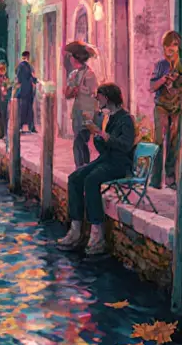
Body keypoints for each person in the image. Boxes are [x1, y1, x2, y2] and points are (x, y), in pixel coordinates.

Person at [57, 84, 135, 256]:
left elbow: (125, 146)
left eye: (99, 97)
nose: (97, 100)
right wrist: (96, 134)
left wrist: (103, 134)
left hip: (120, 164)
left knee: (91, 180)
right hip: (106, 160)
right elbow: (103, 148)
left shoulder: (126, 119)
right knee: (75, 178)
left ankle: (97, 234)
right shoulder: (108, 117)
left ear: (107, 98)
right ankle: (76, 228)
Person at [148, 31, 182, 189]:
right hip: (161, 106)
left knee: (174, 142)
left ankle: (170, 178)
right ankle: (155, 179)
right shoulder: (160, 65)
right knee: (158, 141)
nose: (170, 49)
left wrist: (180, 79)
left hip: (176, 108)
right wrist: (164, 79)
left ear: (178, 47)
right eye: (167, 45)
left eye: (174, 45)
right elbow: (152, 87)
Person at [63, 42, 99, 167]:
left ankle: (82, 168)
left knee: (80, 142)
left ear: (76, 57)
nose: (70, 60)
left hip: (87, 113)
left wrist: (79, 89)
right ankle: (81, 168)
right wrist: (73, 88)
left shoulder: (89, 74)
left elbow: (94, 95)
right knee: (79, 143)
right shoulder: (74, 74)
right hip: (77, 113)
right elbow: (67, 94)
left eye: (71, 56)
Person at [15, 51, 36, 134]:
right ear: (27, 57)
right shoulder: (27, 66)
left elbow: (19, 77)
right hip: (27, 91)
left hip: (25, 91)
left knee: (25, 110)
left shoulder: (21, 66)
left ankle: (24, 127)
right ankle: (28, 127)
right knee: (27, 110)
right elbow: (31, 77)